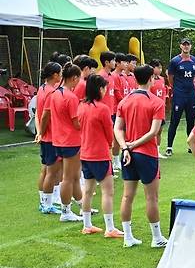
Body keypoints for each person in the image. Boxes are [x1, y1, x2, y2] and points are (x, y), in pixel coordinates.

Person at [114, 64, 168, 248]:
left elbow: (118, 128)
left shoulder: (124, 101)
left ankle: (128, 237)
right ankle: (157, 237)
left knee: (127, 196)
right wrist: (134, 145)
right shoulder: (156, 102)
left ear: (135, 79)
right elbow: (154, 132)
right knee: (151, 197)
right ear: (151, 78)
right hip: (146, 154)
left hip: (127, 154)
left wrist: (125, 147)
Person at [77, 74, 123, 237]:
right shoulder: (102, 109)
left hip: (85, 154)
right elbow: (109, 134)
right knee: (107, 192)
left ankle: (87, 224)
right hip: (100, 155)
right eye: (104, 88)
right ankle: (110, 228)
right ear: (99, 89)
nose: (105, 91)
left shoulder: (81, 106)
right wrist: (112, 144)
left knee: (88, 191)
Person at [46, 63, 84, 222]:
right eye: (78, 79)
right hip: (70, 141)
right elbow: (76, 123)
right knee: (68, 177)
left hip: (58, 140)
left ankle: (82, 205)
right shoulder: (71, 97)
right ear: (74, 78)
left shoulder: (54, 94)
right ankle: (65, 211)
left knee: (73, 176)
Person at [35, 62, 63, 214]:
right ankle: (47, 204)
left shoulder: (42, 89)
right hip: (51, 137)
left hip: (47, 137)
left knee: (45, 170)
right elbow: (45, 115)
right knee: (51, 172)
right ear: (55, 75)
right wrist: (43, 132)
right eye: (60, 73)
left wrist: (40, 132)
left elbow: (39, 115)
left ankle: (43, 202)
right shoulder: (52, 92)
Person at [165, 37, 195, 157]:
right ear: (180, 46)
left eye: (188, 44)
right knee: (175, 120)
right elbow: (170, 77)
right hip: (179, 94)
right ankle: (169, 146)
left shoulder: (194, 60)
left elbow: (194, 74)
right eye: (184, 45)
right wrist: (176, 88)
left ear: (190, 46)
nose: (186, 46)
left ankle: (191, 146)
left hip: (191, 94)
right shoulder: (175, 61)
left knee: (191, 121)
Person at [149, 59, 168, 158]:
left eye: (161, 68)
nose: (160, 70)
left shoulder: (162, 79)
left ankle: (157, 150)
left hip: (161, 108)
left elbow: (164, 92)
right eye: (158, 67)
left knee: (159, 130)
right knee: (151, 129)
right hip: (152, 108)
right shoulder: (149, 80)